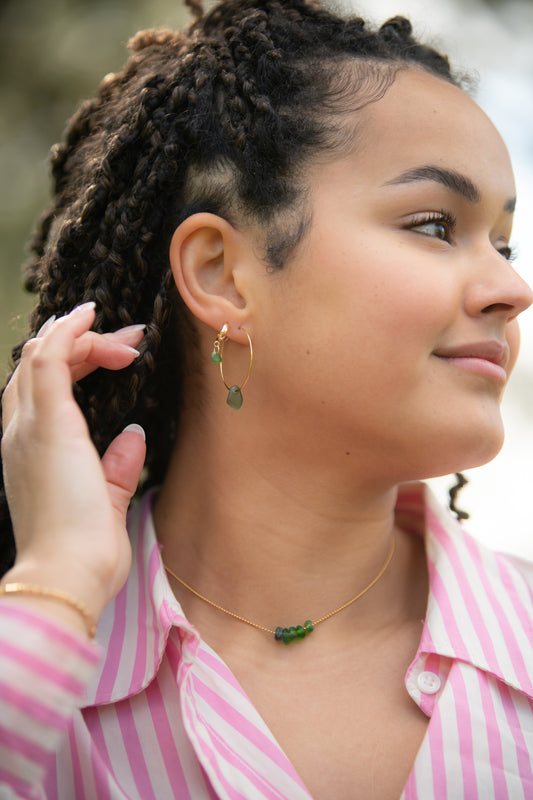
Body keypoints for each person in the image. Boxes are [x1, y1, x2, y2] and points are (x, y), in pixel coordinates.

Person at [1, 0, 532, 797]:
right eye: (432, 225)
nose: (511, 289)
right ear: (220, 274)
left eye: (503, 242)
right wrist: (60, 580)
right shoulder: (40, 673)